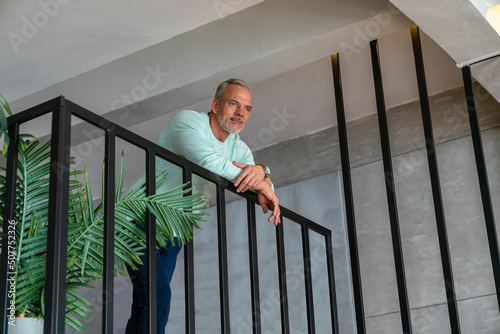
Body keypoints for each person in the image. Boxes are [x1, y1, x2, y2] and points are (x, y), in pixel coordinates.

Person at [125, 78, 280, 334]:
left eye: (247, 108)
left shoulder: (239, 149)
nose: (240, 113)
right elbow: (209, 163)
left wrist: (263, 173)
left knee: (146, 306)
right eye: (233, 104)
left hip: (173, 234)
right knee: (157, 298)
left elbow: (266, 190)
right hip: (139, 219)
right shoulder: (187, 122)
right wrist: (261, 176)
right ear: (215, 104)